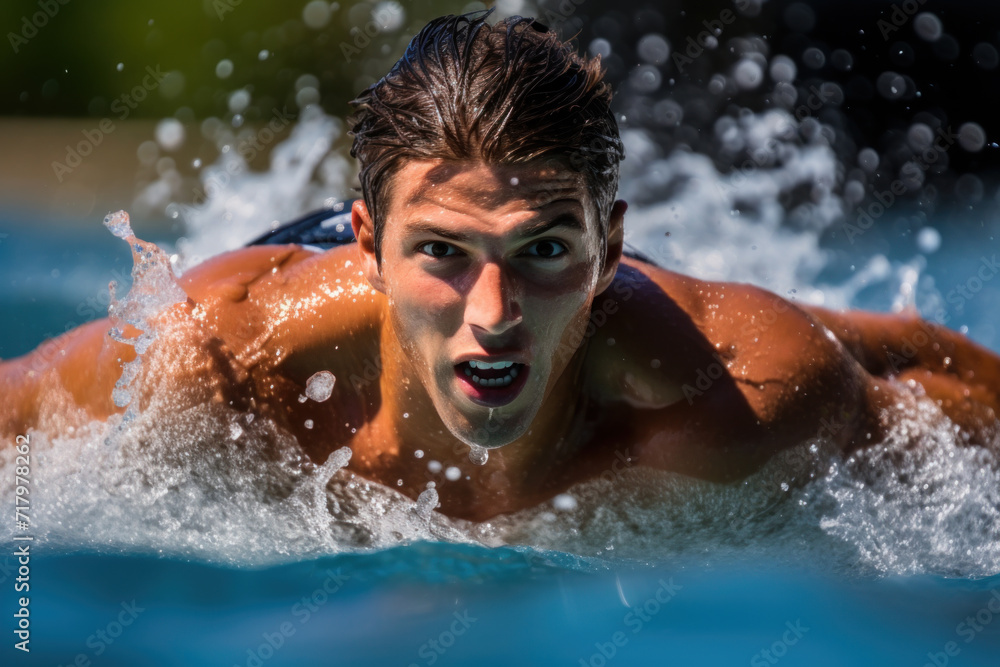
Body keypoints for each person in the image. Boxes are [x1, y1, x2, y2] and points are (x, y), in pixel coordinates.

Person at [2, 12, 999, 521]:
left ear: (608, 248)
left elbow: (928, 376)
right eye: (444, 254)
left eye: (542, 254)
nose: (494, 313)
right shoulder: (221, 358)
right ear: (369, 244)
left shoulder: (739, 393)